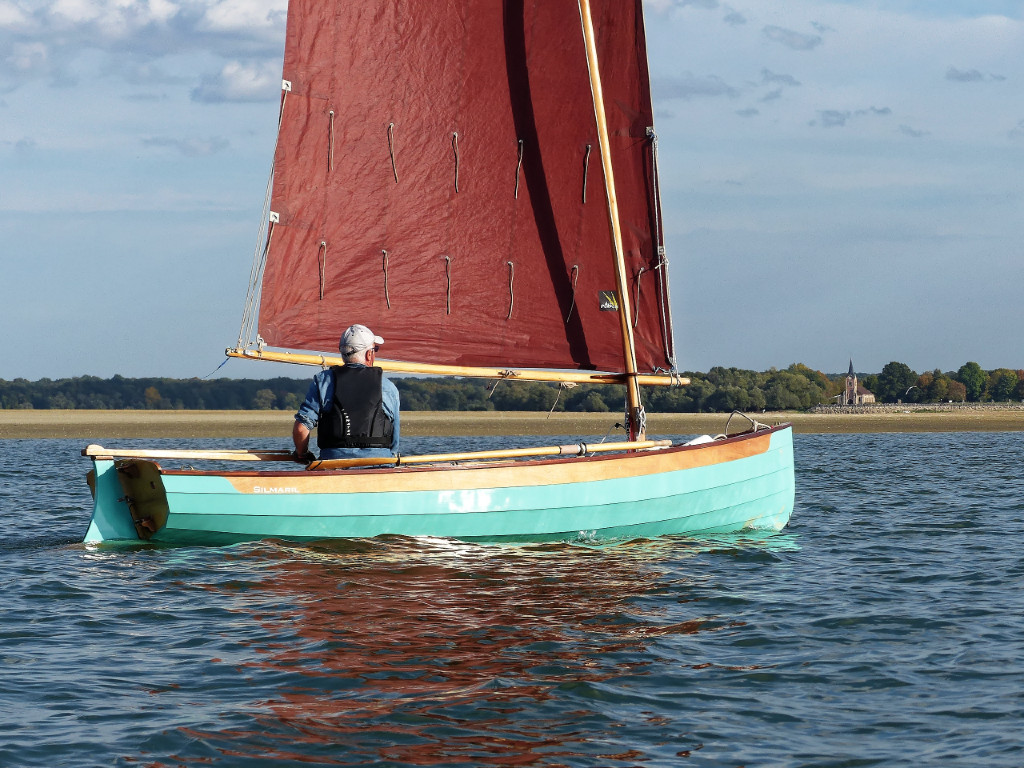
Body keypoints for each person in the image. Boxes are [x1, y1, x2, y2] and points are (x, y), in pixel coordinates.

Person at [292, 324, 400, 464]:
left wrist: (302, 454)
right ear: (369, 354)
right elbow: (394, 443)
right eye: (375, 349)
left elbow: (301, 428)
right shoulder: (388, 387)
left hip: (333, 466)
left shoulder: (323, 381)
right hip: (379, 465)